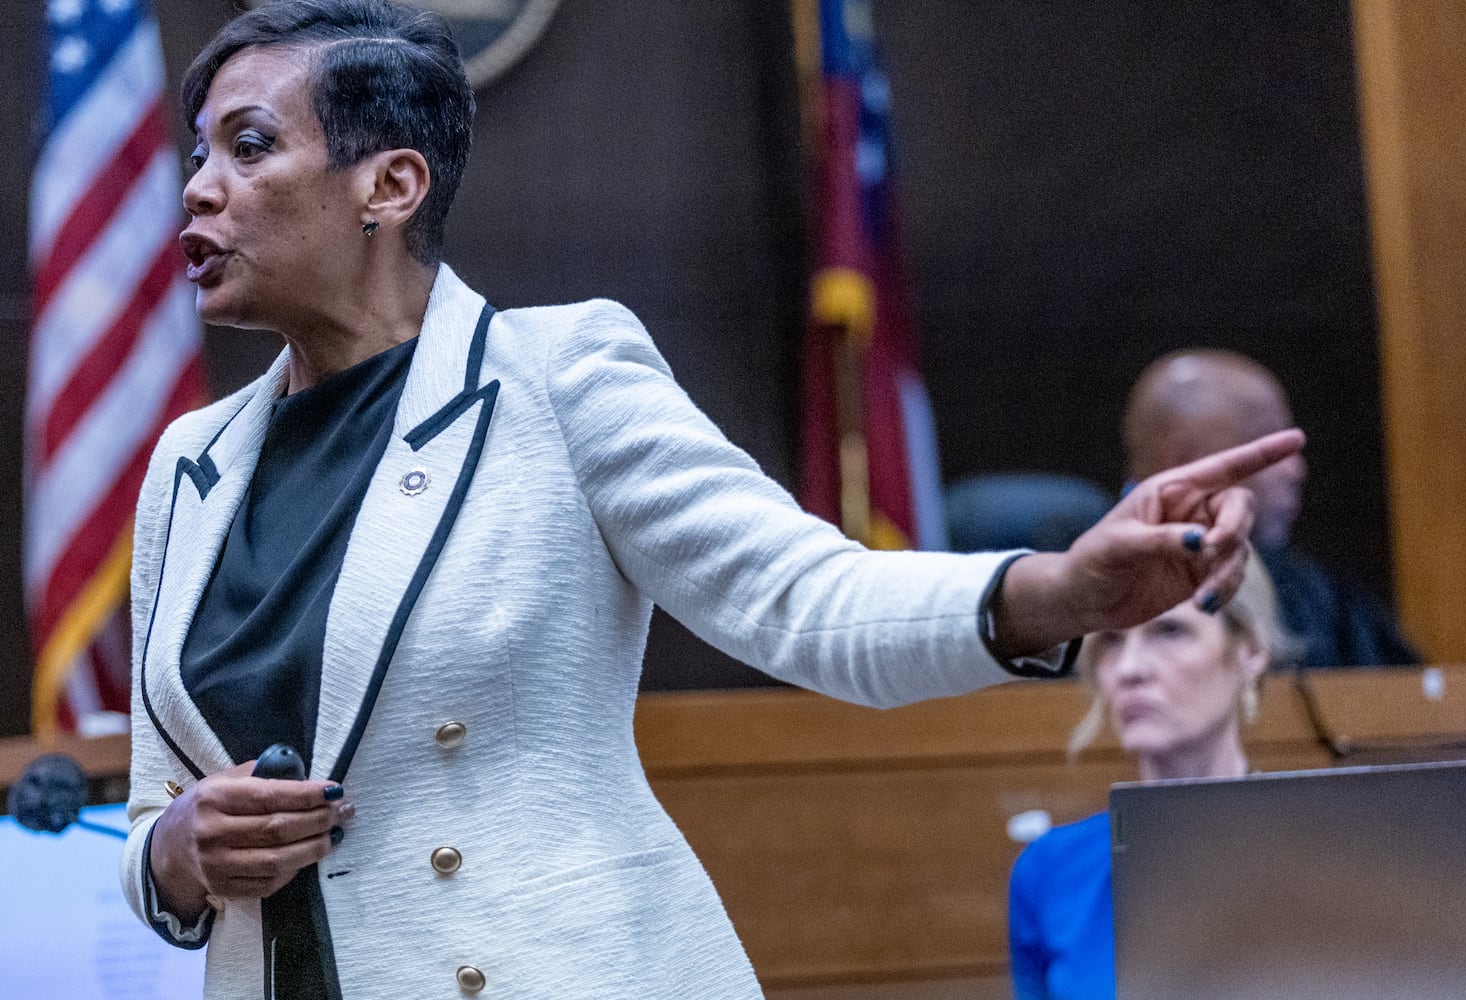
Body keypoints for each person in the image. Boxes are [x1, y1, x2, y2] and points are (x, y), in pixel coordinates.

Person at [119, 3, 1302, 997]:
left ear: (389, 183)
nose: (199, 190)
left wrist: (1059, 591)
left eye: (248, 146)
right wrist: (178, 852)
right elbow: (155, 812)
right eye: (197, 156)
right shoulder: (190, 463)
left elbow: (802, 596)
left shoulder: (558, 376)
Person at [1007, 553, 1296, 1000]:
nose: (1130, 669)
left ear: (1250, 650)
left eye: (1170, 631)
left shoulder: (1328, 849)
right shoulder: (1050, 870)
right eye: (1111, 641)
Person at [1124, 349, 1419, 669]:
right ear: (1186, 461)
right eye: (1267, 442)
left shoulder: (1320, 599)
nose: (1295, 471)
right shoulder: (1101, 581)